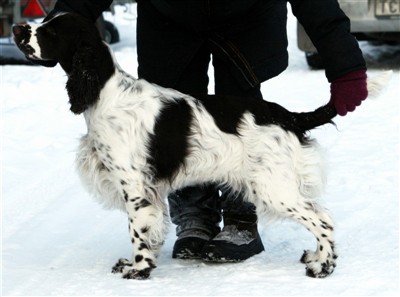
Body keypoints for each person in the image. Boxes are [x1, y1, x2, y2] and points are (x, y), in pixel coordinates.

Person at [41, 0, 367, 263]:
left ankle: (241, 221)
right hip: (169, 18)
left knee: (242, 114)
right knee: (170, 129)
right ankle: (193, 215)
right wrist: (56, 30)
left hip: (246, 15)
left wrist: (345, 64)